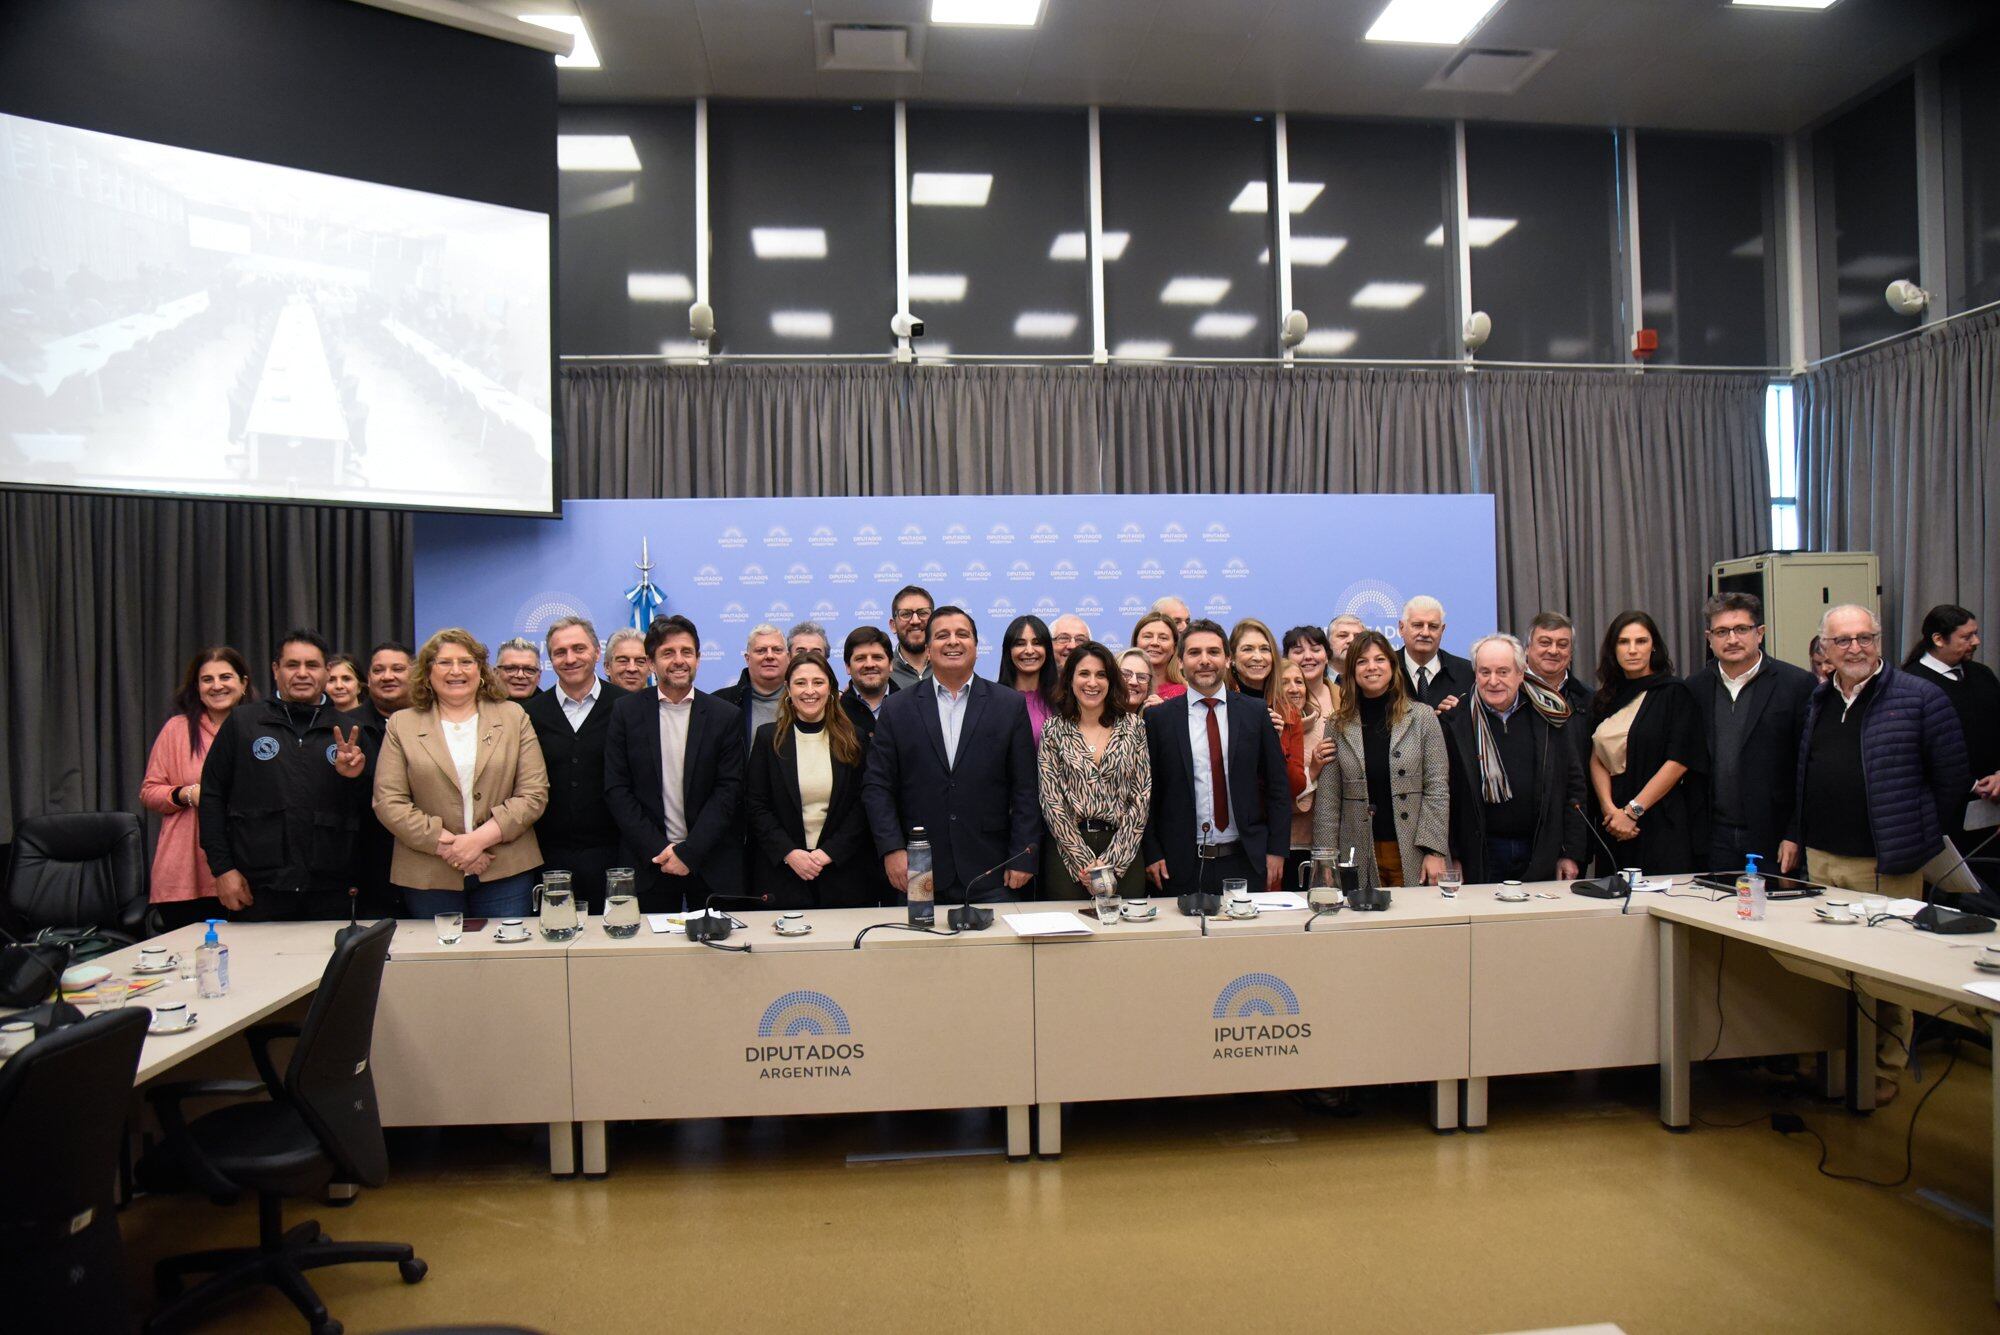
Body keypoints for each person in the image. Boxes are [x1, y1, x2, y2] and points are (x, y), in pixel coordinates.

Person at [1796, 604, 1968, 1104]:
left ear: (1880, 641)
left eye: (1865, 638)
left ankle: (1884, 1072)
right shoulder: (1818, 700)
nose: (1855, 649)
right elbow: (1806, 774)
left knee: (1888, 976)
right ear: (1823, 649)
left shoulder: (1921, 698)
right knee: (1828, 970)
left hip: (1887, 863)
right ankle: (1833, 1063)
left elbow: (1953, 781)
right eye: (1843, 641)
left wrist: (1914, 834)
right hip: (1823, 858)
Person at [862, 606, 1040, 905]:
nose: (953, 642)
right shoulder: (898, 708)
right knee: (921, 949)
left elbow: (1025, 788)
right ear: (928, 649)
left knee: (997, 950)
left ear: (976, 646)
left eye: (963, 634)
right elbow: (877, 787)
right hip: (917, 867)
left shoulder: (1008, 705)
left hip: (992, 868)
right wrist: (891, 849)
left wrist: (1024, 855)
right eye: (942, 636)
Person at [197, 629, 373, 921]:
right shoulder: (243, 723)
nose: (302, 674)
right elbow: (212, 798)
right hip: (259, 887)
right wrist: (223, 870)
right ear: (276, 670)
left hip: (331, 890)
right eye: (292, 665)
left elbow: (372, 811)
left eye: (312, 665)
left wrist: (354, 778)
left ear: (327, 671)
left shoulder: (350, 731)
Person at [372, 629, 549, 918]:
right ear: (427, 672)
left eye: (466, 662)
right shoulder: (400, 725)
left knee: (506, 959)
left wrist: (477, 841)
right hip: (428, 873)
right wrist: (452, 849)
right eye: (444, 663)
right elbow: (388, 802)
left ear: (481, 670)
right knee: (440, 962)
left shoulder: (513, 717)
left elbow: (534, 793)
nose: (456, 671)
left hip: (506, 870)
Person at [604, 615, 745, 913]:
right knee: (651, 957)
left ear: (698, 659)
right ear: (652, 663)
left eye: (687, 652)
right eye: (668, 653)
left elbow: (728, 792)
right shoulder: (625, 712)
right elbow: (618, 789)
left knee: (716, 957)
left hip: (711, 864)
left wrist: (689, 853)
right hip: (648, 864)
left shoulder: (725, 715)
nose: (679, 660)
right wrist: (660, 850)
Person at [1141, 619, 1292, 896]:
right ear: (1181, 661)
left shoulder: (1255, 713)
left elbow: (1278, 788)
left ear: (1228, 659)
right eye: (1195, 653)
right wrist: (1151, 852)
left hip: (1245, 859)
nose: (1205, 661)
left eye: (1213, 652)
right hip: (1177, 864)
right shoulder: (1158, 719)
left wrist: (1276, 850)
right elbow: (1147, 794)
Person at [1439, 635, 1586, 884]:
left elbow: (1574, 786)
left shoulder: (1550, 718)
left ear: (1521, 673)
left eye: (1503, 672)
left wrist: (1570, 852)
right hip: (1480, 853)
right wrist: (1452, 855)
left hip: (1541, 850)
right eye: (1485, 672)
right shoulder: (1454, 722)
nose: (1493, 681)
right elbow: (1442, 794)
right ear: (1475, 674)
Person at [1687, 593, 1817, 874]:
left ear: (1760, 633)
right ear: (1709, 638)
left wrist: (1794, 833)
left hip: (1773, 837)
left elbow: (1807, 768)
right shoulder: (1694, 688)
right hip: (1713, 837)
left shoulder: (1795, 685)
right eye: (1722, 632)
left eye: (1741, 629)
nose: (1732, 639)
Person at [1313, 630, 1449, 888]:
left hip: (1414, 850)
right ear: (1352, 671)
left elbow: (1437, 789)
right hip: (1357, 850)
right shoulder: (1337, 724)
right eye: (1362, 661)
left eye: (1379, 659)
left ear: (1392, 665)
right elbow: (1329, 799)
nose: (1371, 667)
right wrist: (1324, 860)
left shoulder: (1422, 718)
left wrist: (1435, 851)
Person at [745, 652, 875, 909]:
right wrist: (790, 854)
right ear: (788, 689)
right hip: (783, 875)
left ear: (830, 689)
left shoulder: (855, 739)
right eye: (800, 683)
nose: (809, 691)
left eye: (818, 682)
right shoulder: (768, 738)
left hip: (842, 873)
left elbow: (863, 804)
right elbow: (755, 805)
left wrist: (828, 854)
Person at [520, 616, 629, 911]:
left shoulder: (627, 707)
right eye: (560, 652)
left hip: (614, 856)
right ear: (550, 659)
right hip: (547, 858)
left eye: (579, 649)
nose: (570, 659)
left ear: (596, 651)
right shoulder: (529, 714)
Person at [1586, 611, 1706, 875]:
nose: (1632, 650)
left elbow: (1678, 762)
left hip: (1659, 820)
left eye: (1641, 641)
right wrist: (1610, 810)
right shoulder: (1605, 698)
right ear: (1612, 649)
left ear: (1654, 647)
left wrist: (1632, 812)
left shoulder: (1674, 693)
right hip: (1613, 825)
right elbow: (1597, 757)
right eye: (1623, 642)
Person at [141, 647, 252, 931]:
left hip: (246, 865)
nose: (217, 686)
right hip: (185, 872)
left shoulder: (259, 728)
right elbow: (149, 791)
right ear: (197, 687)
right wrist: (187, 794)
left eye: (225, 677)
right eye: (207, 680)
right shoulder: (176, 729)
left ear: (243, 683)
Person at [1039, 641, 1151, 898]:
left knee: (1125, 933)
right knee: (1069, 932)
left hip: (1124, 850)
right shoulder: (1053, 730)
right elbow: (1051, 801)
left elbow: (1141, 798)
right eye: (1084, 674)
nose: (1092, 682)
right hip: (1068, 854)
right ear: (1069, 680)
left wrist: (1112, 863)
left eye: (1101, 674)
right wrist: (1084, 862)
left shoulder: (1134, 727)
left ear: (1111, 680)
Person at [1902, 604, 2000, 808]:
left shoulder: (1982, 674)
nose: (1976, 642)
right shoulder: (1909, 684)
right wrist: (1971, 785)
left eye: (1976, 634)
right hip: (1941, 808)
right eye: (1967, 637)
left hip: (1994, 800)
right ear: (1938, 639)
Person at [1271, 659, 1335, 885]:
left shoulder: (1324, 725)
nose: (1294, 689)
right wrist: (1314, 770)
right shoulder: (1270, 724)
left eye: (1299, 681)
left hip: (1318, 837)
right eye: (1284, 682)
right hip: (1281, 841)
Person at [1524, 612, 1595, 771]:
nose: (1553, 651)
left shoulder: (1589, 699)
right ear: (1527, 648)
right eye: (1545, 643)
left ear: (1571, 653)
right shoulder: (1511, 695)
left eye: (1562, 644)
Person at [715, 623, 789, 750]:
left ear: (788, 657)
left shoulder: (804, 700)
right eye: (761, 650)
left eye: (777, 650)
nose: (770, 656)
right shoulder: (720, 703)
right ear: (747, 658)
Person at [1398, 596, 1472, 711]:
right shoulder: (1385, 669)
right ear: (1401, 628)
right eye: (1418, 625)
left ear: (1442, 630)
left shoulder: (1467, 673)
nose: (1425, 633)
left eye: (1433, 626)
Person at [997, 614, 1058, 743]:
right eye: (1020, 644)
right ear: (1009, 651)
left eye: (1037, 643)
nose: (1029, 650)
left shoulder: (1063, 699)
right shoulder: (994, 701)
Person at [840, 625, 898, 744]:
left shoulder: (911, 706)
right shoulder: (835, 712)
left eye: (877, 657)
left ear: (891, 664)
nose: (870, 664)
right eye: (860, 658)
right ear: (848, 667)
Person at [355, 640, 413, 730]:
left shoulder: (432, 721)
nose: (387, 677)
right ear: (369, 679)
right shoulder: (347, 724)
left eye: (397, 669)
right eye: (378, 670)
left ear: (415, 675)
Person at [1281, 625, 1336, 719]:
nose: (1308, 656)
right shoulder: (1273, 698)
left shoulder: (1346, 697)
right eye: (1298, 652)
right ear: (1286, 658)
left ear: (1327, 656)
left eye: (1315, 650)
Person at [1131, 610, 1185, 702]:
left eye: (1163, 638)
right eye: (1147, 636)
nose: (1155, 643)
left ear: (1174, 648)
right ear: (1136, 643)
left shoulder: (1184, 694)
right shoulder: (1118, 689)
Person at [888, 584, 934, 690]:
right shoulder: (882, 673)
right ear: (893, 625)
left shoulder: (949, 666)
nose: (915, 621)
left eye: (923, 613)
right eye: (905, 614)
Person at [1227, 617, 1278, 697]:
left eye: (1264, 649)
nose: (1258, 657)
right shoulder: (1219, 702)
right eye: (1248, 649)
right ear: (1232, 657)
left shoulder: (1286, 704)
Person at [604, 628, 652, 692]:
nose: (632, 669)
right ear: (607, 667)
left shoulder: (661, 701)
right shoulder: (594, 701)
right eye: (623, 661)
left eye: (640, 661)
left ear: (650, 669)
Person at [495, 637, 542, 701]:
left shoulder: (554, 708)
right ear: (496, 673)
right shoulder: (479, 708)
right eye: (511, 668)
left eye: (529, 669)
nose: (520, 675)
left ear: (538, 676)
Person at [1326, 615, 1366, 682]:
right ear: (1328, 643)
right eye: (1342, 635)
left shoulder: (1372, 682)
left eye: (1357, 637)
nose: (1351, 640)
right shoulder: (1312, 678)